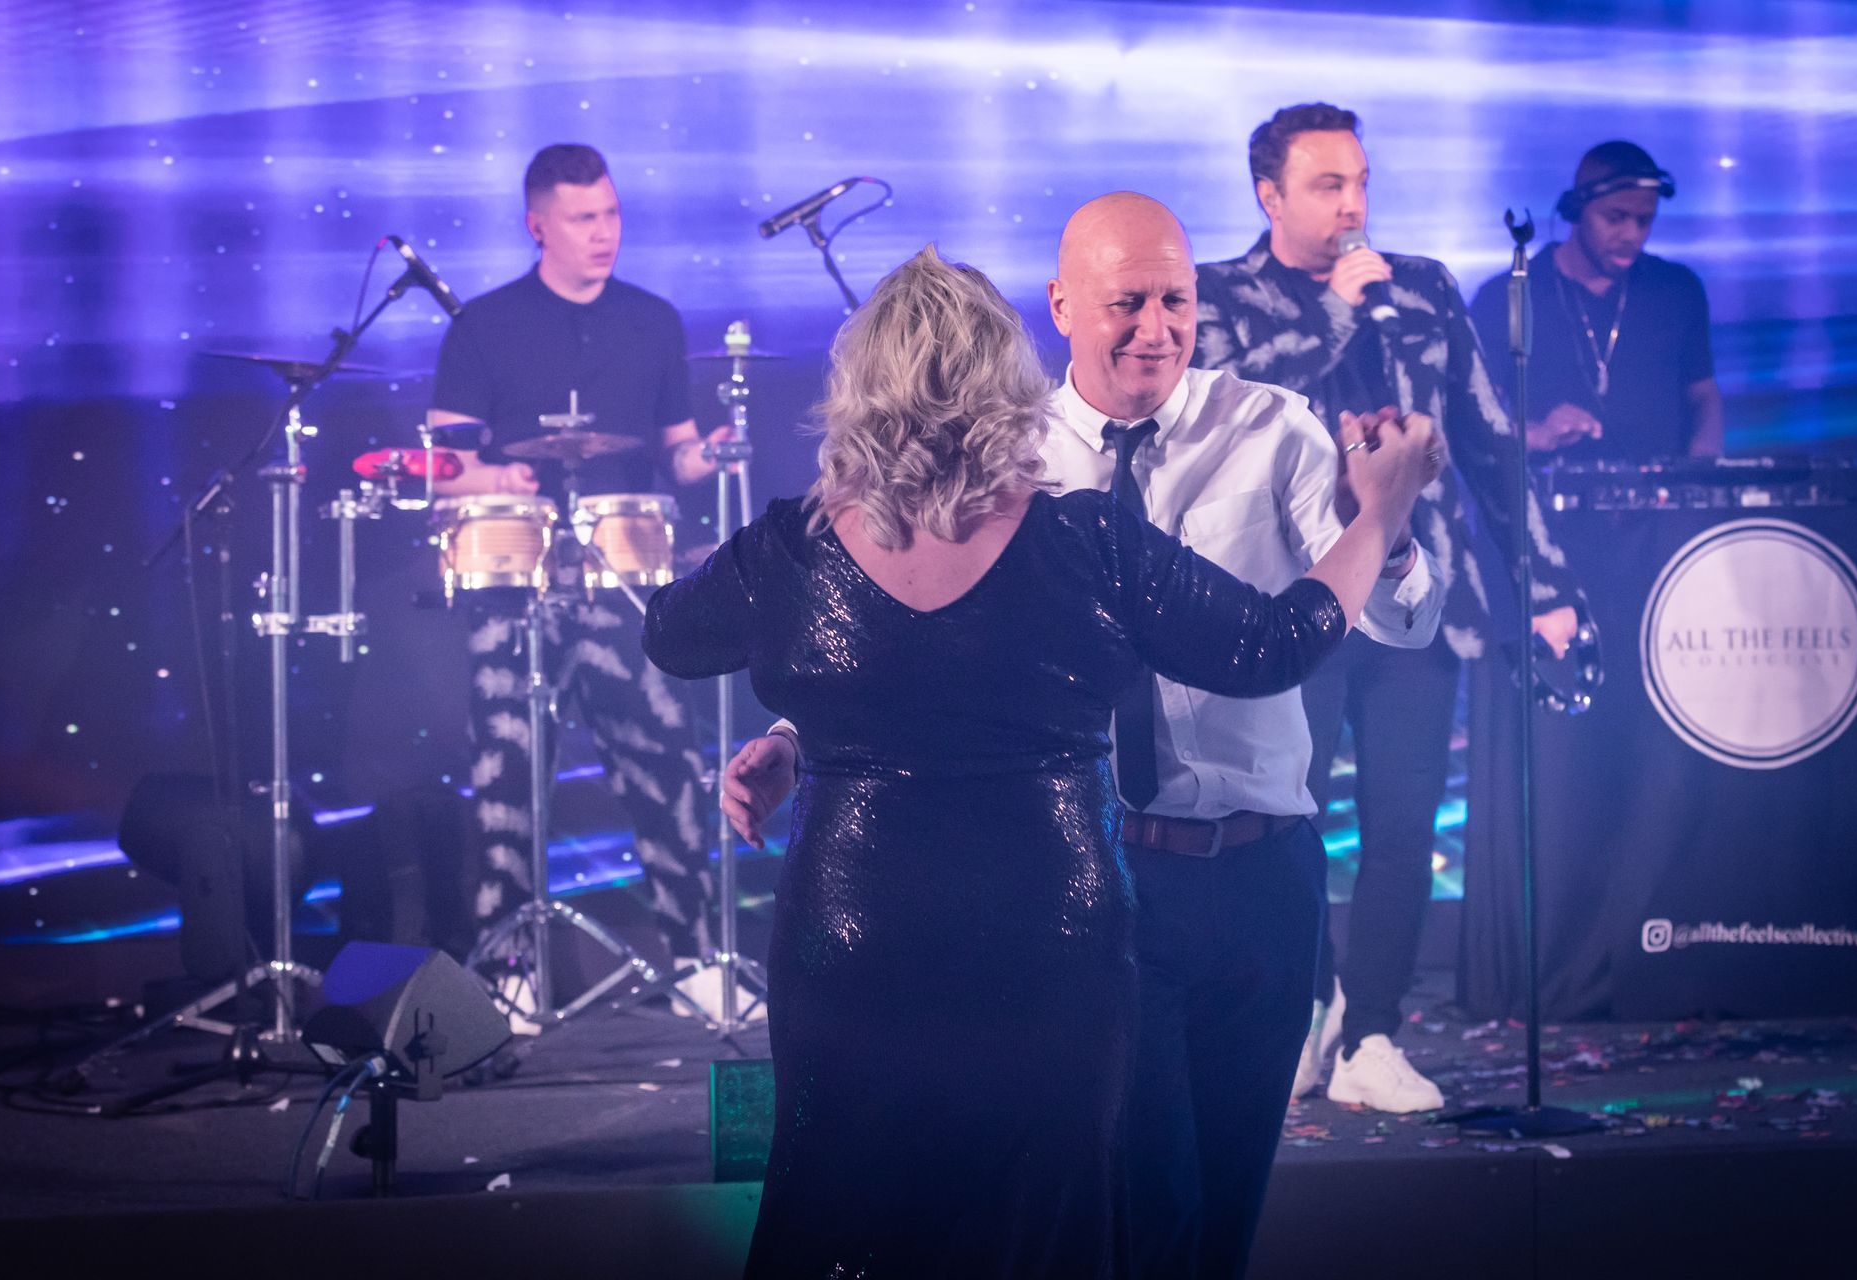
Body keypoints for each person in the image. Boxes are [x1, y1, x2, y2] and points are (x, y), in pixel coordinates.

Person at [644, 245, 1435, 1279]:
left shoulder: (790, 550)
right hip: (1047, 942)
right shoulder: (1085, 541)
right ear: (1007, 382)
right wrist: (1379, 515)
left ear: (860, 390)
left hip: (854, 939)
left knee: (843, 1211)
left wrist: (807, 708)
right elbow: (1271, 647)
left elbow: (674, 636)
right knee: (1043, 1221)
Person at [1191, 103, 1588, 1115]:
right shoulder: (1219, 296)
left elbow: (1492, 441)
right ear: (1270, 196)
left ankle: (1372, 1033)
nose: (1352, 204)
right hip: (1291, 603)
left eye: (1360, 181)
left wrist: (1544, 586)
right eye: (1328, 185)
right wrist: (1330, 315)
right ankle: (1307, 1003)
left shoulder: (1421, 288)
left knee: (1404, 823)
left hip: (1418, 595)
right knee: (1287, 821)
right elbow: (1227, 419)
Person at [426, 143, 734, 1009]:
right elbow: (440, 464)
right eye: (583, 219)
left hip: (623, 579)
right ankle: (511, 976)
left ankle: (697, 961)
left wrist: (715, 454)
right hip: (513, 583)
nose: (604, 233)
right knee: (508, 779)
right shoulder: (484, 325)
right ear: (538, 226)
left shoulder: (653, 321)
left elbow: (677, 454)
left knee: (666, 766)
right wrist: (498, 476)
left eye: (611, 214)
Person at [1470, 140, 1724, 460]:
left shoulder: (1677, 289)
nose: (1632, 235)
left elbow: (1703, 395)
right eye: (1615, 218)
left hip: (1663, 489)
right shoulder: (1507, 296)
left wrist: (1702, 470)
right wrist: (1535, 434)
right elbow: (1473, 421)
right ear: (1577, 211)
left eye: (1644, 220)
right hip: (1546, 490)